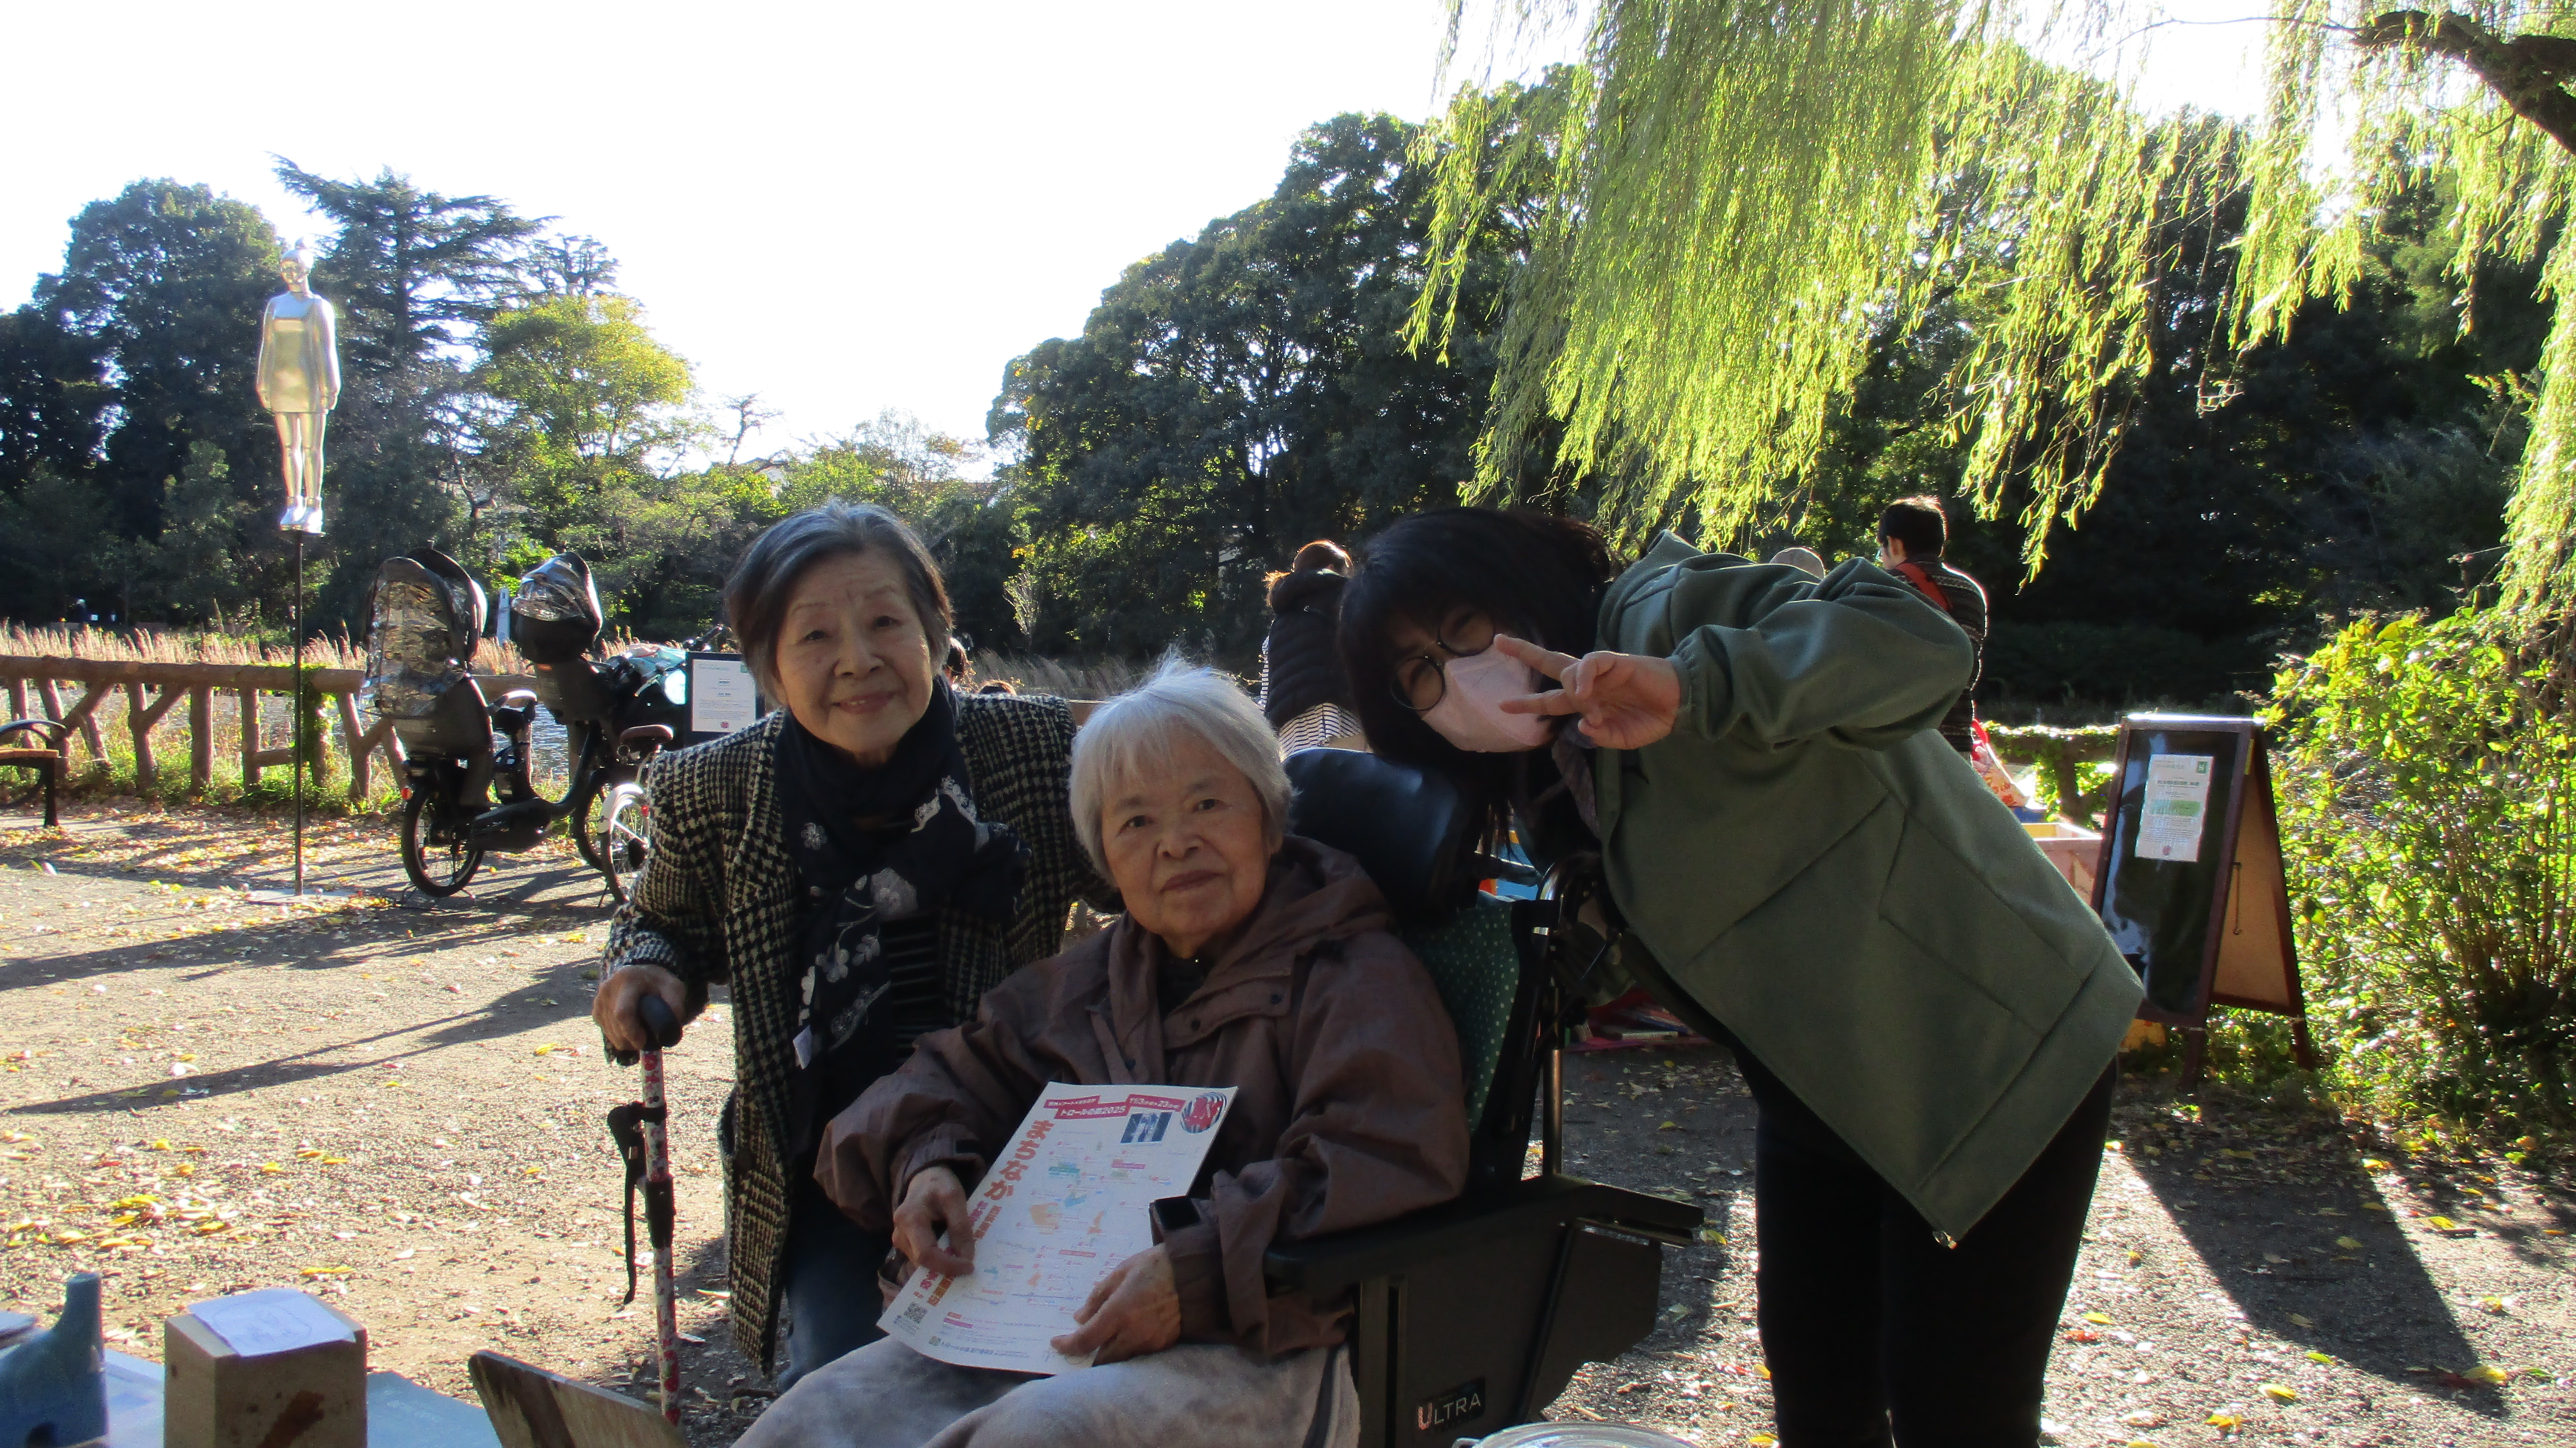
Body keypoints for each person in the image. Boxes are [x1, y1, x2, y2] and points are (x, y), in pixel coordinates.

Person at [1336, 508, 2140, 1447]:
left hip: (1994, 1053)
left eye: (1461, 628)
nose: (1453, 675)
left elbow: (1917, 646)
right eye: (1419, 674)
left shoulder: (1664, 610)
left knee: (1955, 1406)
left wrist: (1694, 685)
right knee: (1819, 1394)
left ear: (1514, 581)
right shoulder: (1547, 779)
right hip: (1821, 1099)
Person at [735, 662, 1466, 1448]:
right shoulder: (1089, 981)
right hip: (1046, 1322)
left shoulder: (1354, 975)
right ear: (1106, 860)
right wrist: (929, 1164)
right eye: (1136, 823)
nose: (1176, 842)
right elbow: (943, 1078)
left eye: (1207, 804)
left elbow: (1378, 1159)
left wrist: (1196, 1273)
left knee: (1038, 1438)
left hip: (1266, 1334)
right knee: (814, 1416)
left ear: (1270, 817)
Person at [592, 502, 1104, 1388]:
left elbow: (1129, 872)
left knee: (1044, 1384)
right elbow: (661, 922)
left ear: (935, 633)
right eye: (816, 636)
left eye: (883, 624)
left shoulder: (1029, 748)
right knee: (847, 1388)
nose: (857, 661)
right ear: (767, 668)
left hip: (1011, 1129)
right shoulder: (714, 786)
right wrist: (646, 968)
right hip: (827, 1151)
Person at [1876, 496, 1988, 756]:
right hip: (1956, 739)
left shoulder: (1883, 588)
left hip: (1902, 745)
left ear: (1893, 543)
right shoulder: (1971, 591)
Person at [1257, 540, 1364, 752]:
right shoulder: (1344, 601)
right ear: (1333, 570)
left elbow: (1266, 695)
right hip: (1339, 720)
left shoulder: (1278, 625)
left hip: (1290, 739)